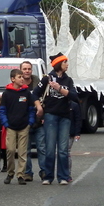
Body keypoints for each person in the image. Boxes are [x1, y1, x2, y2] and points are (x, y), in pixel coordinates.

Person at [32, 52, 78, 185]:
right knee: (50, 147)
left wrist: (60, 89)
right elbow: (35, 94)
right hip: (50, 115)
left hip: (65, 116)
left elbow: (75, 97)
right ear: (58, 64)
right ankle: (48, 176)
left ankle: (63, 176)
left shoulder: (68, 80)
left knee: (63, 148)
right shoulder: (47, 78)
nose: (67, 64)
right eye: (65, 62)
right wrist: (39, 107)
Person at [0, 69, 36, 185]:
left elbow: (31, 109)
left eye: (22, 77)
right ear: (13, 79)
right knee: (10, 150)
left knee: (22, 152)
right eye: (19, 77)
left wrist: (30, 122)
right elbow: (2, 110)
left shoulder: (26, 93)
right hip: (11, 126)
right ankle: (10, 172)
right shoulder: (7, 93)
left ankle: (20, 174)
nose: (22, 79)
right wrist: (6, 123)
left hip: (24, 126)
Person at [21, 60, 44, 182]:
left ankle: (44, 171)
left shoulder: (39, 85)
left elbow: (45, 101)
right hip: (24, 122)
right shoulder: (16, 86)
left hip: (38, 120)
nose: (27, 71)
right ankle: (28, 173)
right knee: (26, 150)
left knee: (42, 148)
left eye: (29, 69)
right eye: (24, 69)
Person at [68, 100, 82, 182]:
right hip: (61, 132)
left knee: (66, 152)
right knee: (62, 153)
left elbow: (78, 119)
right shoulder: (60, 105)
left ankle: (67, 174)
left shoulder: (74, 105)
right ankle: (62, 173)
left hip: (70, 132)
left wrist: (77, 133)